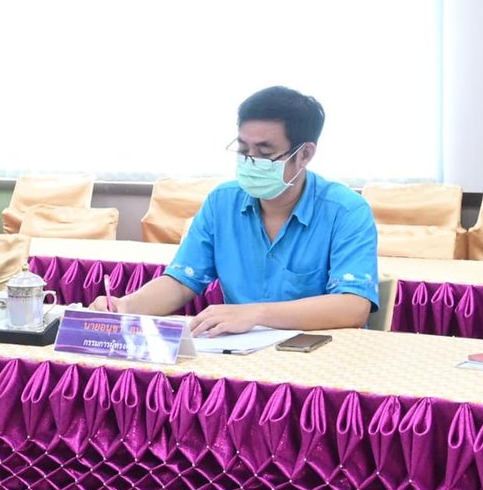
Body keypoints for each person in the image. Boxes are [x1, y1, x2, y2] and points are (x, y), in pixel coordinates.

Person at [93, 86, 378, 336]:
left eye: (265, 153)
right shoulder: (222, 202)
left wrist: (256, 313)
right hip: (242, 354)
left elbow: (353, 306)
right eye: (243, 150)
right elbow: (181, 282)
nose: (250, 161)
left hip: (322, 357)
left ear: (304, 154)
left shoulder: (346, 211)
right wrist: (126, 306)